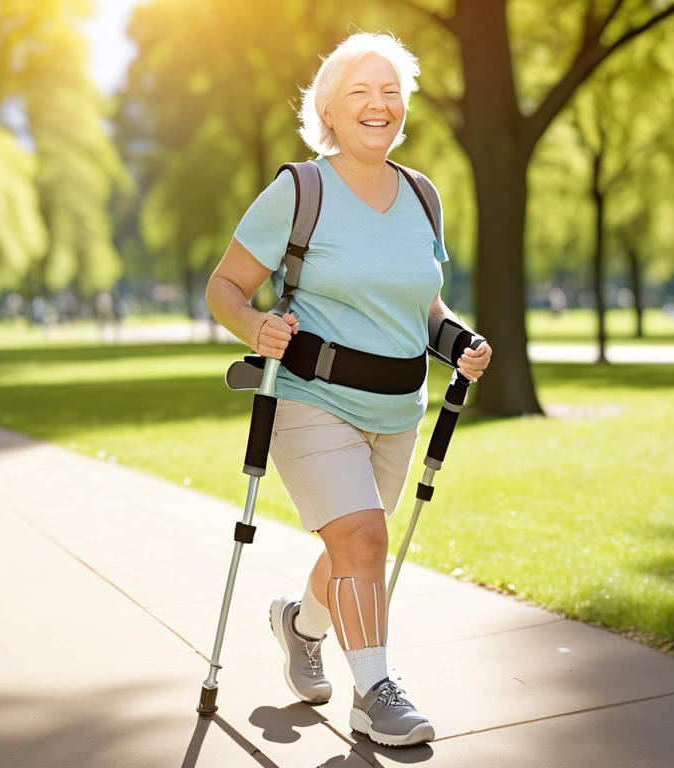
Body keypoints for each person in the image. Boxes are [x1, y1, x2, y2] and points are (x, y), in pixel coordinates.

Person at [205, 32, 492, 747]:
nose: (379, 105)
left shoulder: (424, 196)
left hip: (399, 407)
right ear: (328, 111)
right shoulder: (299, 191)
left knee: (347, 549)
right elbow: (225, 288)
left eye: (391, 91)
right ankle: (375, 695)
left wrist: (459, 341)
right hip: (312, 396)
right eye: (360, 92)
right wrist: (255, 327)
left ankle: (298, 626)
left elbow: (422, 307)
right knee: (364, 536)